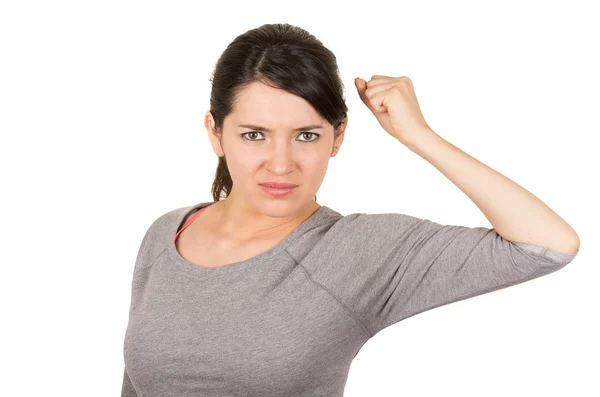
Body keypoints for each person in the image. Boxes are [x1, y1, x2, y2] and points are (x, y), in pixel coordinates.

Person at [121, 23, 579, 397]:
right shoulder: (169, 233)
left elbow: (548, 245)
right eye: (254, 134)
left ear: (338, 137)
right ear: (216, 133)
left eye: (306, 135)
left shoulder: (358, 252)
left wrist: (419, 135)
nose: (280, 163)